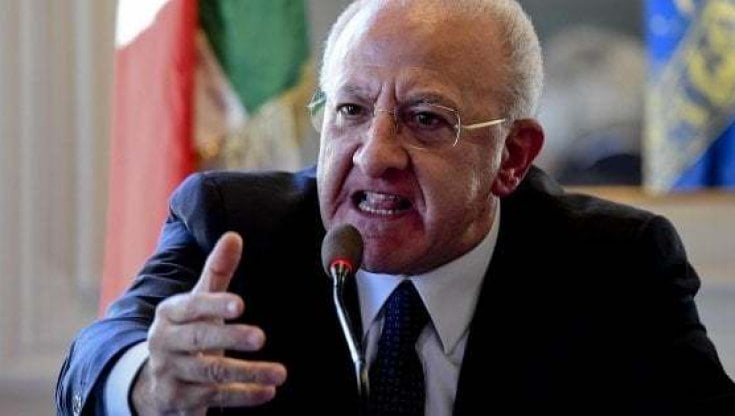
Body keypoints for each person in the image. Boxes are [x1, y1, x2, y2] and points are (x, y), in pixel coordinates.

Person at [56, 0, 735, 414]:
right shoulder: (233, 226)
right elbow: (94, 358)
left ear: (512, 157)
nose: (374, 155)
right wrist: (148, 383)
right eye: (351, 111)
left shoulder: (615, 264)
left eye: (426, 119)